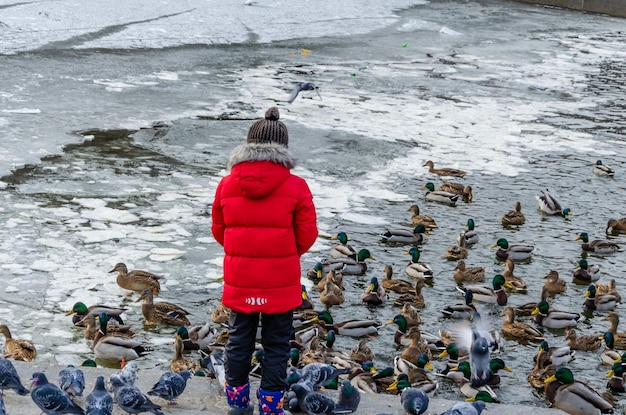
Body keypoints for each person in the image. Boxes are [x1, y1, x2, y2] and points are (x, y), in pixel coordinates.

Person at [211, 107, 318, 415]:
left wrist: (241, 253)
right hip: (280, 280)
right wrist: (283, 254)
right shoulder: (297, 186)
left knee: (238, 341)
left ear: (248, 145)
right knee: (276, 346)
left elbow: (219, 229)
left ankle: (238, 404)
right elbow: (307, 235)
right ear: (282, 148)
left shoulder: (227, 184)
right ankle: (271, 407)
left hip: (240, 277)